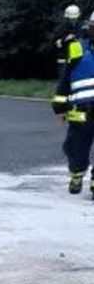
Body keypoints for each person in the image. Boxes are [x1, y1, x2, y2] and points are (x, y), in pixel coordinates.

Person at [52, 12, 94, 195]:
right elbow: (65, 80)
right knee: (76, 147)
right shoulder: (76, 48)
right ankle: (77, 175)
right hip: (81, 111)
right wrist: (59, 107)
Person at [55, 5, 83, 82]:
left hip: (77, 58)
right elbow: (57, 42)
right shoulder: (61, 27)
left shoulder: (80, 26)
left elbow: (82, 38)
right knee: (64, 80)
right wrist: (65, 39)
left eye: (74, 18)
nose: (73, 20)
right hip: (64, 59)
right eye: (71, 19)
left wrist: (73, 37)